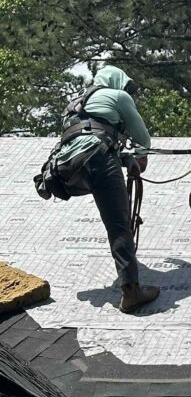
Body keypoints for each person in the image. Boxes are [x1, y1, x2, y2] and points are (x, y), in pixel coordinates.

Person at [53, 65, 158, 313]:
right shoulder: (118, 96)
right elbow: (143, 139)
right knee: (119, 224)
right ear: (117, 82)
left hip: (67, 170)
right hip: (99, 159)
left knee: (113, 217)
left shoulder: (73, 104)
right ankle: (131, 292)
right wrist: (140, 157)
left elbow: (90, 137)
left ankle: (129, 283)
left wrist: (125, 159)